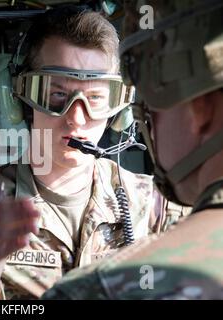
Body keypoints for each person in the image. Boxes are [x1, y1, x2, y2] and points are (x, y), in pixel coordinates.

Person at [0, 6, 187, 300]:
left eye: (96, 98)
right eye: (57, 95)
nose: (77, 119)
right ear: (19, 102)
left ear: (118, 109)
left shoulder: (158, 209)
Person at [43, 0, 223, 300]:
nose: (76, 117)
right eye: (58, 95)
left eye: (150, 107)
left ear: (198, 108)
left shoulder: (100, 290)